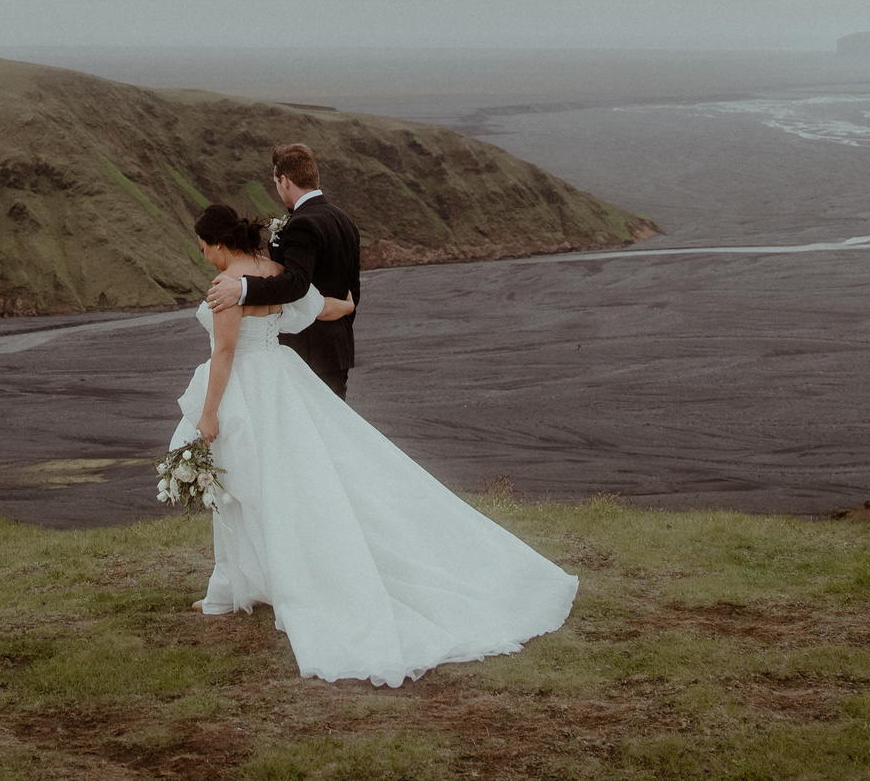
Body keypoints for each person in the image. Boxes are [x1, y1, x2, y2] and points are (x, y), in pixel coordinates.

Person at [172, 202, 577, 688]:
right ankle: (242, 584)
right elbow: (314, 306)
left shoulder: (227, 285)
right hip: (281, 381)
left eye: (204, 249)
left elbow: (224, 351)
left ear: (218, 244)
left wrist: (209, 414)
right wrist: (346, 307)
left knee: (241, 487)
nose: (205, 257)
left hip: (247, 389)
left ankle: (236, 588)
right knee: (286, 485)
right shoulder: (274, 271)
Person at [204, 142, 360, 398]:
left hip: (305, 350)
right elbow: (353, 290)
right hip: (338, 350)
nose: (278, 190)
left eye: (276, 183)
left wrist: (242, 288)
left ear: (285, 181)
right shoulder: (345, 221)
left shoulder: (302, 223)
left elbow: (295, 283)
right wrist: (339, 320)